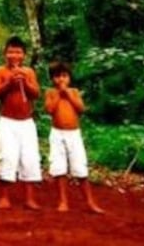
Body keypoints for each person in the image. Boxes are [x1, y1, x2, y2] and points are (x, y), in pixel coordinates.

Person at [0, 36, 42, 210]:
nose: (14, 55)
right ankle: (4, 197)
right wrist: (8, 83)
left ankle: (30, 198)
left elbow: (36, 94)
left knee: (30, 158)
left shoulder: (29, 72)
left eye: (18, 52)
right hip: (7, 122)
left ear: (24, 55)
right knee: (7, 157)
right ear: (5, 54)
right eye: (11, 51)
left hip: (27, 122)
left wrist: (25, 83)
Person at [44, 62, 104, 214]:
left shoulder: (75, 92)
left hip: (74, 134)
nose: (61, 80)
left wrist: (68, 94)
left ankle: (89, 201)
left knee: (80, 167)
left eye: (64, 76)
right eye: (57, 76)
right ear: (52, 79)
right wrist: (59, 94)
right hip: (57, 134)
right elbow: (50, 109)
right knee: (59, 168)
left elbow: (81, 108)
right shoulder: (51, 92)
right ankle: (63, 201)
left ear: (69, 78)